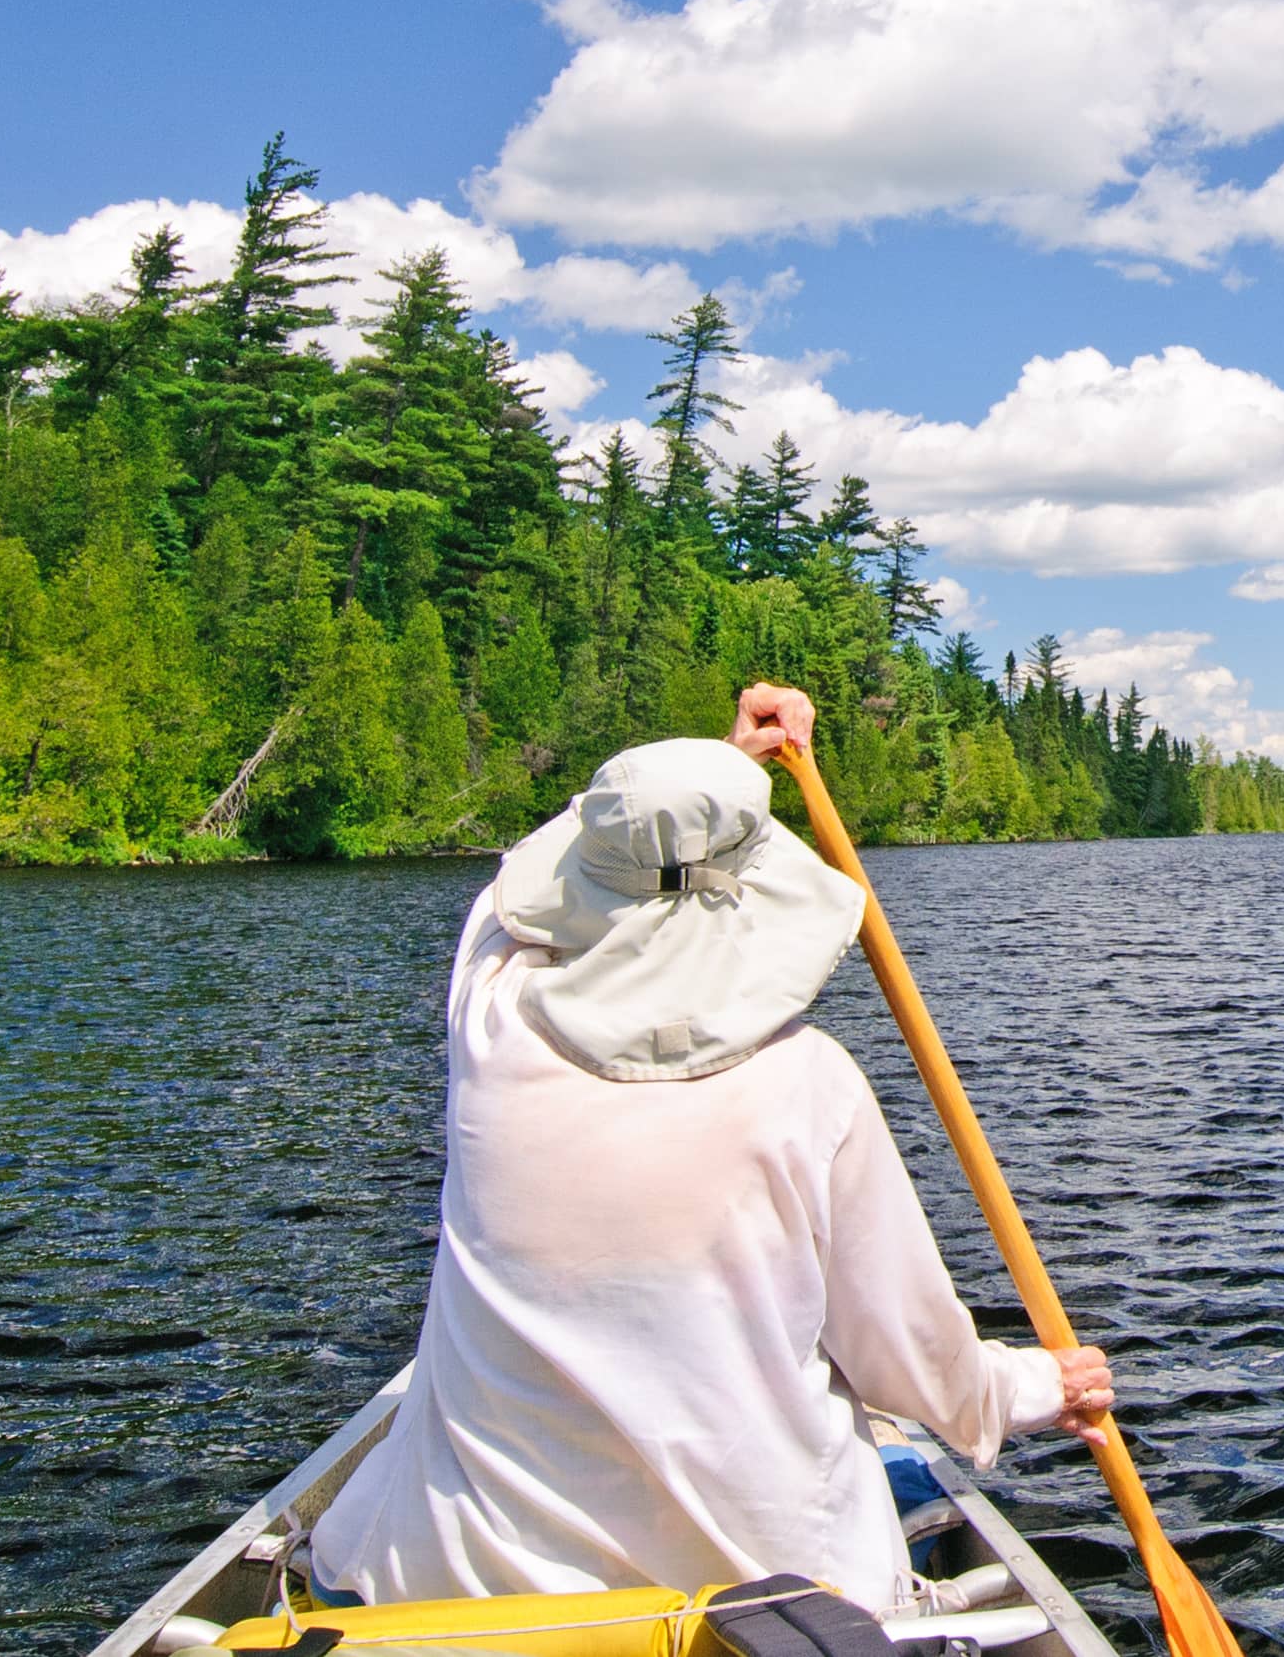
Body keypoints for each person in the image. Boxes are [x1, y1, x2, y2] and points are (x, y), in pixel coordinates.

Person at [308, 683, 1112, 1617]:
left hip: (460, 1588)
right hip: (760, 1604)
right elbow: (913, 1367)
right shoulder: (811, 1089)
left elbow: (568, 856)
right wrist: (1034, 1385)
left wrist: (719, 763)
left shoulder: (489, 1016)